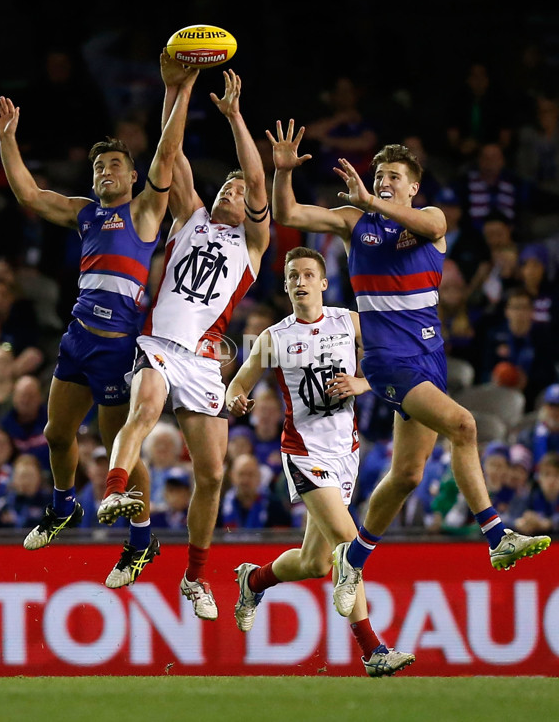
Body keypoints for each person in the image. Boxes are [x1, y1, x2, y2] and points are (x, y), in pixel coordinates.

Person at [267, 121, 551, 582]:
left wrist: (372, 200)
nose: (383, 182)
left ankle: (352, 561)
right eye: (379, 175)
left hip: (429, 360)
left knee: (407, 476)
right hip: (386, 361)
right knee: (465, 424)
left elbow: (429, 222)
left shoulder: (432, 220)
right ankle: (498, 536)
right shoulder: (354, 222)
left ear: (413, 186)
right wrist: (281, 172)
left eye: (393, 176)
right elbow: (289, 214)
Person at [0, 52, 198, 584]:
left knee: (119, 451)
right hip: (79, 338)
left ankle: (141, 539)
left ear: (133, 175)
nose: (104, 172)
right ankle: (64, 504)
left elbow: (168, 151)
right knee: (57, 433)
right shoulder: (85, 212)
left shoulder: (147, 211)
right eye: (97, 166)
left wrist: (182, 88)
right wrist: (8, 138)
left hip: (117, 348)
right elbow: (29, 194)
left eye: (113, 165)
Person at [99, 56, 271, 618]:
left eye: (239, 191)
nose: (231, 191)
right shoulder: (189, 214)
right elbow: (168, 157)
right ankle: (113, 490)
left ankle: (194, 578)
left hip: (202, 360)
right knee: (143, 411)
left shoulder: (251, 248)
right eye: (227, 184)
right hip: (158, 341)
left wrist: (236, 117)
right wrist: (180, 88)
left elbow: (260, 180)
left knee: (213, 473)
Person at [226, 246, 414, 677]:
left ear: (323, 283)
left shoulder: (346, 321)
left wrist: (363, 384)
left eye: (308, 274)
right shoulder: (274, 338)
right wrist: (236, 399)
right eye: (292, 276)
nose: (299, 282)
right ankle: (372, 651)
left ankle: (253, 581)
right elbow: (240, 381)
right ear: (287, 284)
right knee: (350, 545)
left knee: (316, 563)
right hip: (303, 452)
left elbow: (390, 359)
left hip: (345, 451)